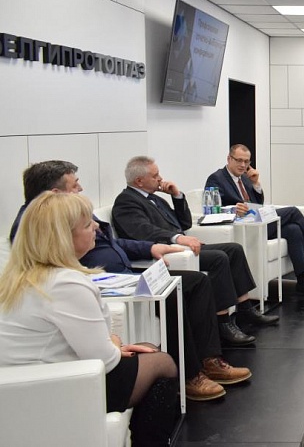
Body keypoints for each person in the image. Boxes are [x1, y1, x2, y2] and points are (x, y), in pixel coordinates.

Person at [10, 160, 252, 400]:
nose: (81, 189)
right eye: (75, 185)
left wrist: (151, 247)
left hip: (121, 276)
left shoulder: (66, 217)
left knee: (195, 282)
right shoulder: (40, 231)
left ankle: (209, 359)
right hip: (106, 282)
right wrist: (114, 341)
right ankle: (191, 375)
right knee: (173, 295)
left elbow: (115, 242)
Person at [0, 192, 179, 446]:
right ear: (63, 237)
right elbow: (107, 360)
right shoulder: (65, 283)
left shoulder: (20, 277)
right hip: (61, 388)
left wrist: (114, 346)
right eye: (87, 224)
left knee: (147, 350)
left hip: (28, 385)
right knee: (163, 363)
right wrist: (115, 343)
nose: (96, 226)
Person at [112, 156, 280, 337]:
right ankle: (222, 323)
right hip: (168, 252)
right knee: (219, 258)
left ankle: (246, 309)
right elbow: (144, 231)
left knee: (234, 249)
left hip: (182, 246)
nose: (160, 179)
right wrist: (178, 238)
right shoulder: (126, 201)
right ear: (139, 181)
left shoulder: (155, 198)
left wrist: (177, 196)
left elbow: (184, 223)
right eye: (155, 175)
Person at [205, 143, 304, 298]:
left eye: (247, 161)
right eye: (239, 160)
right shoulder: (216, 178)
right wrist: (232, 209)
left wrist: (256, 184)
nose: (243, 165)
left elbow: (258, 204)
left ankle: (303, 282)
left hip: (256, 222)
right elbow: (211, 210)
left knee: (293, 230)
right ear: (229, 159)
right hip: (242, 228)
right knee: (293, 211)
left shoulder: (244, 178)